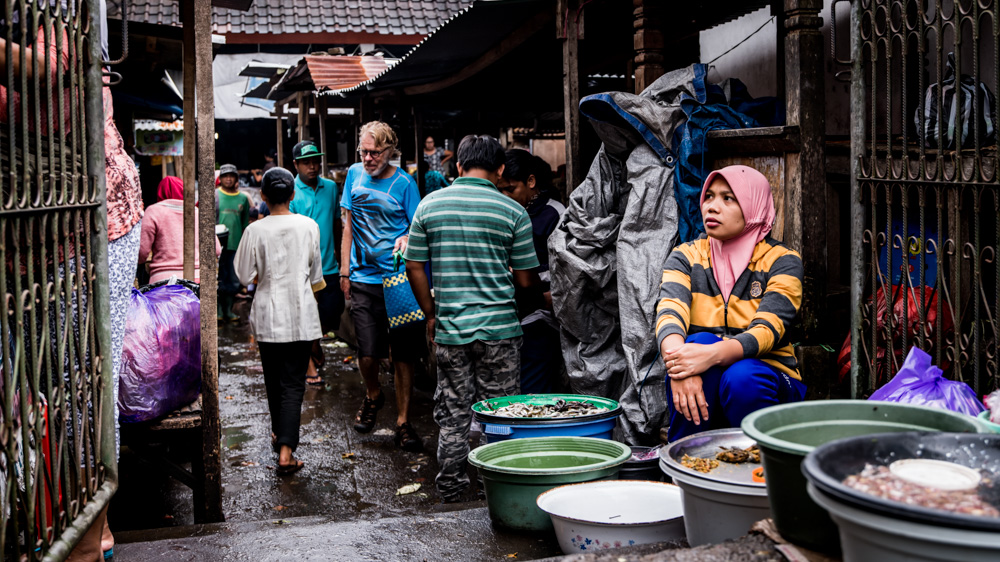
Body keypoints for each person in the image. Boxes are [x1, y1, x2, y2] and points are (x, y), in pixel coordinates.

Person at [405, 135, 541, 502]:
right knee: (500, 415)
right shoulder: (513, 212)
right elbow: (527, 280)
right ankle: (492, 487)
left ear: (459, 166)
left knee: (453, 415)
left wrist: (430, 314)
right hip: (501, 332)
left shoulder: (429, 207)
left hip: (450, 331)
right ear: (499, 170)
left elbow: (414, 265)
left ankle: (450, 489)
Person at [655, 165, 806, 443]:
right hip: (704, 374)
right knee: (697, 341)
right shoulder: (686, 257)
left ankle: (762, 471)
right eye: (709, 196)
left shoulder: (782, 260)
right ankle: (689, 465)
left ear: (754, 206)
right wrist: (680, 368)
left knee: (741, 378)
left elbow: (768, 330)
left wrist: (707, 356)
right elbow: (669, 314)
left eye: (728, 198)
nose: (712, 207)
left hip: (769, 376)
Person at [339, 121, 426, 452]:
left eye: (375, 152)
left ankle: (403, 421)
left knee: (403, 354)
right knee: (368, 352)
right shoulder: (353, 176)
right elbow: (348, 226)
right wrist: (344, 271)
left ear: (391, 151)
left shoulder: (405, 183)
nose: (368, 158)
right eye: (363, 151)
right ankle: (374, 393)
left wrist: (406, 238)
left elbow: (417, 229)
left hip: (398, 280)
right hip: (362, 279)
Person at [234, 167, 324, 475]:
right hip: (301, 313)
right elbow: (315, 276)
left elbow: (244, 276)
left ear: (262, 197)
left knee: (274, 381)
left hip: (268, 314)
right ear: (293, 194)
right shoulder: (309, 226)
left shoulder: (255, 230)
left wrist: (264, 274)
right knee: (293, 384)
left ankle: (281, 440)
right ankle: (285, 450)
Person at [497, 150, 566, 394]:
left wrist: (545, 296)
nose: (505, 196)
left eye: (510, 189)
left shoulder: (555, 214)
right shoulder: (505, 213)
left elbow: (565, 272)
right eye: (501, 190)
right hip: (508, 316)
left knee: (532, 392)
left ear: (531, 182)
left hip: (541, 316)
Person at [289, 140, 344, 386]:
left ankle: (314, 344)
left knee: (333, 313)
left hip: (329, 266)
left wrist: (342, 257)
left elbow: (336, 222)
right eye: (306, 162)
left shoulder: (331, 187)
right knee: (305, 316)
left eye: (315, 161)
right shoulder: (289, 190)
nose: (312, 166)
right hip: (301, 268)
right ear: (296, 165)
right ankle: (310, 364)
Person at [138, 176, 221, 284]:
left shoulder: (153, 211)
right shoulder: (198, 213)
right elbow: (217, 249)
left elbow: (142, 253)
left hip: (163, 281)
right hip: (197, 279)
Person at [216, 163, 251, 322]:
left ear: (236, 179)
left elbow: (245, 224)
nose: (228, 179)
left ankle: (228, 311)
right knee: (217, 278)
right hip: (216, 246)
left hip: (235, 245)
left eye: (231, 176)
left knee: (233, 279)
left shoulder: (243, 198)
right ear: (220, 179)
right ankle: (217, 311)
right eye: (225, 176)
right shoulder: (214, 196)